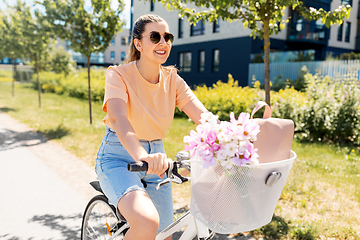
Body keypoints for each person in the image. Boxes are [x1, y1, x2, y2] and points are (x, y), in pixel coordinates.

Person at [95, 14, 208, 240]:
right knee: (147, 223)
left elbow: (204, 117)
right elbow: (118, 119)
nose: (163, 43)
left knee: (164, 235)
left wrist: (235, 138)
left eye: (167, 37)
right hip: (119, 157)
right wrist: (142, 156)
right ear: (138, 44)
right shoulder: (118, 75)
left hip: (158, 160)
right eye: (155, 37)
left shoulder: (173, 80)